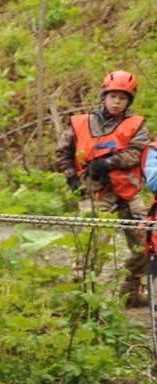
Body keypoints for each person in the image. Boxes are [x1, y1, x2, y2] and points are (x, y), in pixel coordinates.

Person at [56, 70, 151, 307]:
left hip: (128, 191)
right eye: (113, 96)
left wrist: (108, 162)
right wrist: (71, 178)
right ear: (104, 96)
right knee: (93, 243)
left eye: (123, 97)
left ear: (129, 101)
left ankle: (131, 292)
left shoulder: (136, 124)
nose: (117, 102)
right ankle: (81, 299)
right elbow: (63, 153)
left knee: (146, 242)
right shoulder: (80, 123)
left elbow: (138, 151)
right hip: (95, 192)